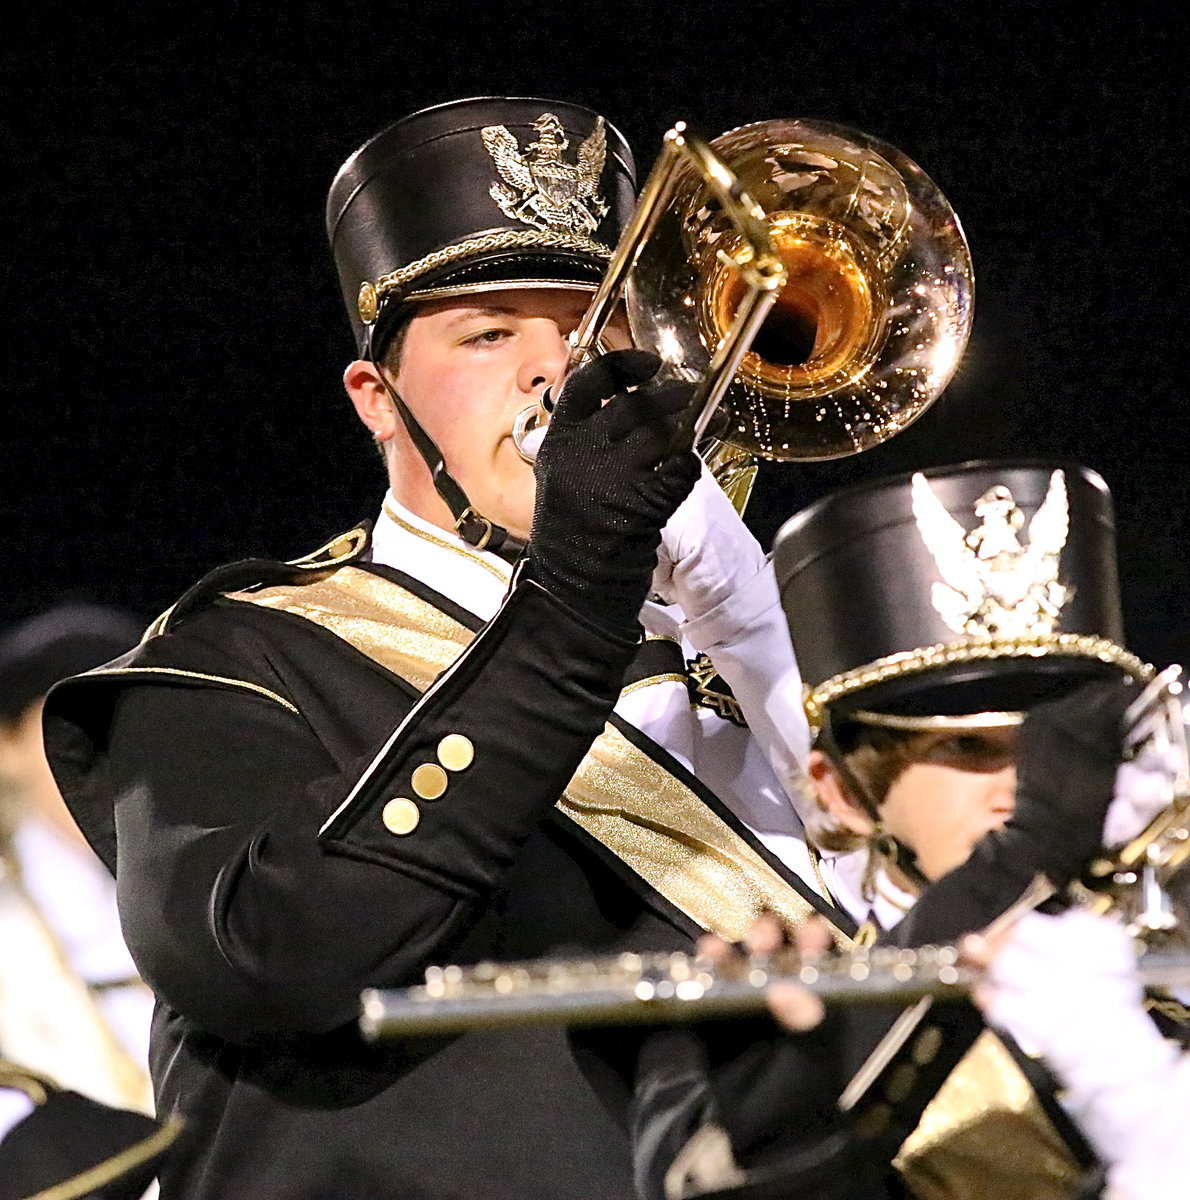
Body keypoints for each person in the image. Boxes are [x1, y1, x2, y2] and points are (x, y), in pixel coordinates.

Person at [42, 97, 843, 1200]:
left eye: (593, 328)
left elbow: (923, 960)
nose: (555, 373)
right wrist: (577, 587)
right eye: (488, 332)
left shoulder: (743, 664)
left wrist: (751, 628)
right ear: (376, 400)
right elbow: (272, 959)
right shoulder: (237, 657)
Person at [644, 462, 1160, 1200]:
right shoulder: (758, 1036)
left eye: (1065, 747)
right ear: (842, 794)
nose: (1035, 789)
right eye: (969, 749)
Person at [0, 605, 152, 1113]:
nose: (102, 750)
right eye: (68, 725)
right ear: (8, 745)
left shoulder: (210, 888)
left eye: (126, 721)